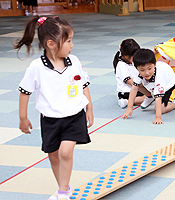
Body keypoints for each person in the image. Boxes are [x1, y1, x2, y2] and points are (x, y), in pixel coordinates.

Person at [14, 16, 94, 200]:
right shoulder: (36, 67)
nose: (72, 45)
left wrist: (89, 108)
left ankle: (63, 192)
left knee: (65, 152)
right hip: (50, 120)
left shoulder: (73, 61)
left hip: (74, 116)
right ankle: (64, 186)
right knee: (54, 156)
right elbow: (25, 92)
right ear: (51, 43)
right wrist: (23, 117)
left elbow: (83, 85)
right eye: (68, 41)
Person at [122, 48, 175, 125]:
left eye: (149, 68)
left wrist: (158, 117)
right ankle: (150, 97)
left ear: (155, 64)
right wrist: (129, 108)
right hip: (152, 86)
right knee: (136, 84)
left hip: (168, 85)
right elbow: (134, 89)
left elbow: (158, 98)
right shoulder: (139, 73)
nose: (147, 73)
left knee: (159, 109)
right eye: (142, 70)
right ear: (137, 69)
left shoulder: (159, 76)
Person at [113, 38, 151, 109]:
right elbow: (129, 81)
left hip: (137, 89)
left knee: (151, 95)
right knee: (150, 97)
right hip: (127, 92)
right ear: (127, 56)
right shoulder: (121, 65)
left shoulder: (132, 61)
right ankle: (126, 101)